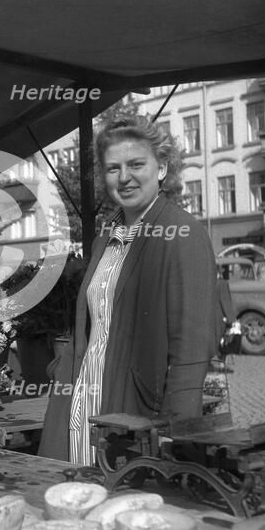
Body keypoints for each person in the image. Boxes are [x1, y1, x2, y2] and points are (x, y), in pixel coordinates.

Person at [38, 116, 218, 464]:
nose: (124, 177)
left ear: (162, 167)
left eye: (136, 164)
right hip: (84, 401)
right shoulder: (107, 237)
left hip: (134, 410)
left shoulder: (182, 233)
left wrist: (175, 437)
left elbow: (192, 350)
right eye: (112, 168)